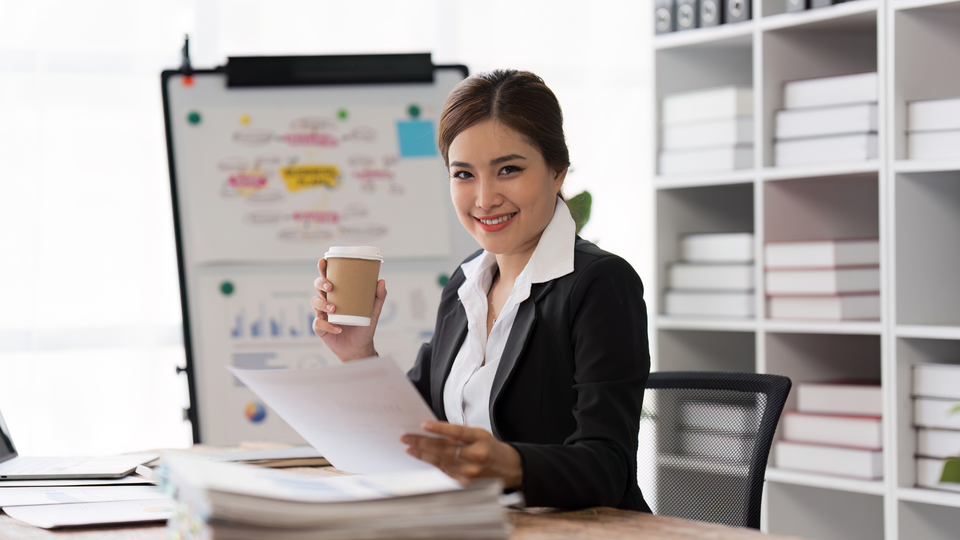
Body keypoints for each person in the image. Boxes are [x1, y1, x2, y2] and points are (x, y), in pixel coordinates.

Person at [311, 69, 651, 512]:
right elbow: (419, 428)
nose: (484, 198)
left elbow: (610, 467)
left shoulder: (599, 284)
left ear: (557, 171)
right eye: (464, 174)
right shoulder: (466, 282)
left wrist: (510, 465)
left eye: (508, 169)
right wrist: (358, 355)